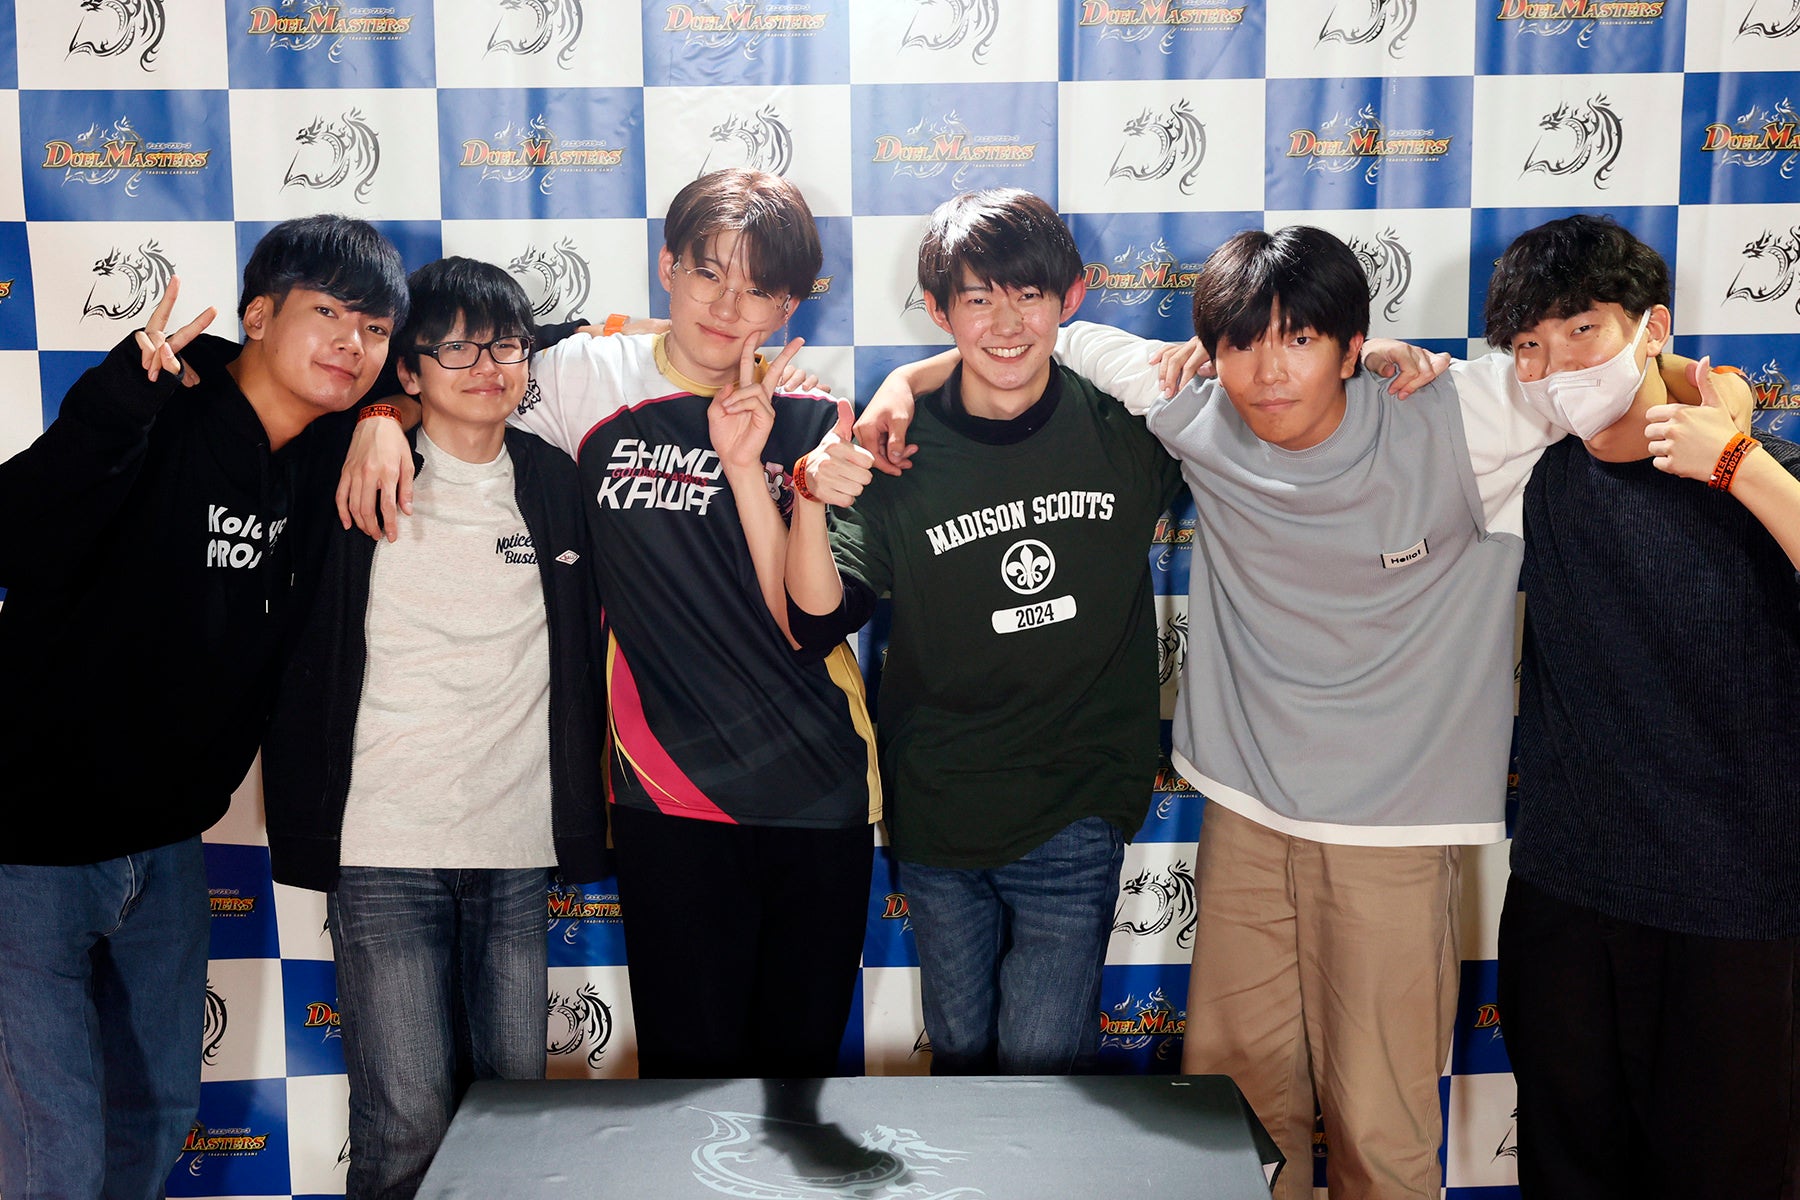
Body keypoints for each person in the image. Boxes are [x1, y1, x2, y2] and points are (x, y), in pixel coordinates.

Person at [861, 224, 1557, 1198]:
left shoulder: (1455, 417)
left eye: (1301, 340)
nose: (1269, 371)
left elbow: (1611, 384)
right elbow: (1035, 338)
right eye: (1244, 343)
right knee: (1241, 1119)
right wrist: (902, 384)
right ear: (1212, 350)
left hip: (1392, 831)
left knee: (1380, 1127)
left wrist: (1714, 405)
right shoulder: (1194, 404)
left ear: (1351, 345)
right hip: (1246, 813)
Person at [341, 169, 880, 1080]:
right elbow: (468, 369)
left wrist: (784, 472)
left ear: (789, 306)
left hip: (819, 789)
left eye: (758, 290)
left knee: (799, 1095)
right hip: (667, 794)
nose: (728, 307)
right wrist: (381, 415)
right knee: (686, 1092)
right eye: (708, 274)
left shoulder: (817, 415)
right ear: (667, 267)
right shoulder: (586, 375)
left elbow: (815, 621)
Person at [0, 215, 409, 1200]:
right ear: (257, 315)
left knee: (158, 1118)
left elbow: (489, 356)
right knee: (53, 1151)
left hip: (168, 849)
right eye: (328, 313)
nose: (351, 343)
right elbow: (14, 535)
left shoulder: (327, 449)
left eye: (373, 328)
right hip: (28, 846)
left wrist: (388, 414)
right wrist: (110, 414)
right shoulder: (158, 406)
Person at [772, 189, 1182, 1074]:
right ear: (938, 308)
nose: (1005, 323)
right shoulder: (893, 446)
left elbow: (1277, 404)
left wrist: (1377, 358)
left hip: (1076, 798)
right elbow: (816, 617)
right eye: (978, 298)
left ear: (1071, 297)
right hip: (939, 803)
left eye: (1029, 295)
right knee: (960, 1057)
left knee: (1041, 1070)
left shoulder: (1126, 422)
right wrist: (808, 499)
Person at [260, 257, 609, 1198]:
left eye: (503, 346)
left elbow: (593, 341)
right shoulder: (347, 464)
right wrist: (375, 417)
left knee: (512, 1122)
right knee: (404, 1125)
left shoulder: (555, 479)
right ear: (406, 370)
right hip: (384, 845)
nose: (484, 366)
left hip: (516, 844)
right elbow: (239, 370)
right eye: (452, 348)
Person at [1486, 214, 1800, 1200]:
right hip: (1566, 901)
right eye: (1529, 345)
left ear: (1652, 327)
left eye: (1580, 330)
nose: (1554, 367)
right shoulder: (1545, 481)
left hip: (1733, 913)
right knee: (1567, 1170)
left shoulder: (1761, 468)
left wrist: (1738, 461)